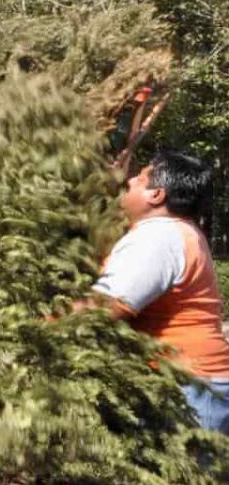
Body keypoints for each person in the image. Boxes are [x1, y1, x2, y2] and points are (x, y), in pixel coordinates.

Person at [79, 150, 229, 430]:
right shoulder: (177, 231)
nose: (130, 181)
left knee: (185, 473)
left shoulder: (158, 238)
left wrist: (32, 327)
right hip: (199, 384)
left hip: (188, 389)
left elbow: (104, 307)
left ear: (156, 195)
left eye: (139, 178)